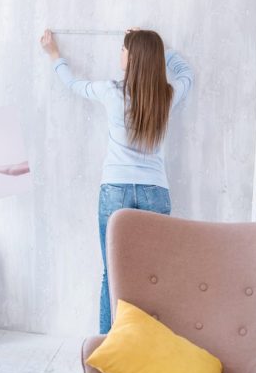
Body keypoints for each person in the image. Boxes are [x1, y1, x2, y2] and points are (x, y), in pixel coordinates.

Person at [40, 28, 193, 334]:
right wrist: (158, 50)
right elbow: (186, 73)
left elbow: (72, 84)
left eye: (124, 50)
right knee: (153, 277)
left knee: (112, 274)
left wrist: (54, 54)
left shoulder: (111, 92)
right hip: (155, 193)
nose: (120, 54)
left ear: (132, 58)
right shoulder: (168, 96)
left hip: (115, 192)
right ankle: (147, 348)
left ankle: (108, 350)